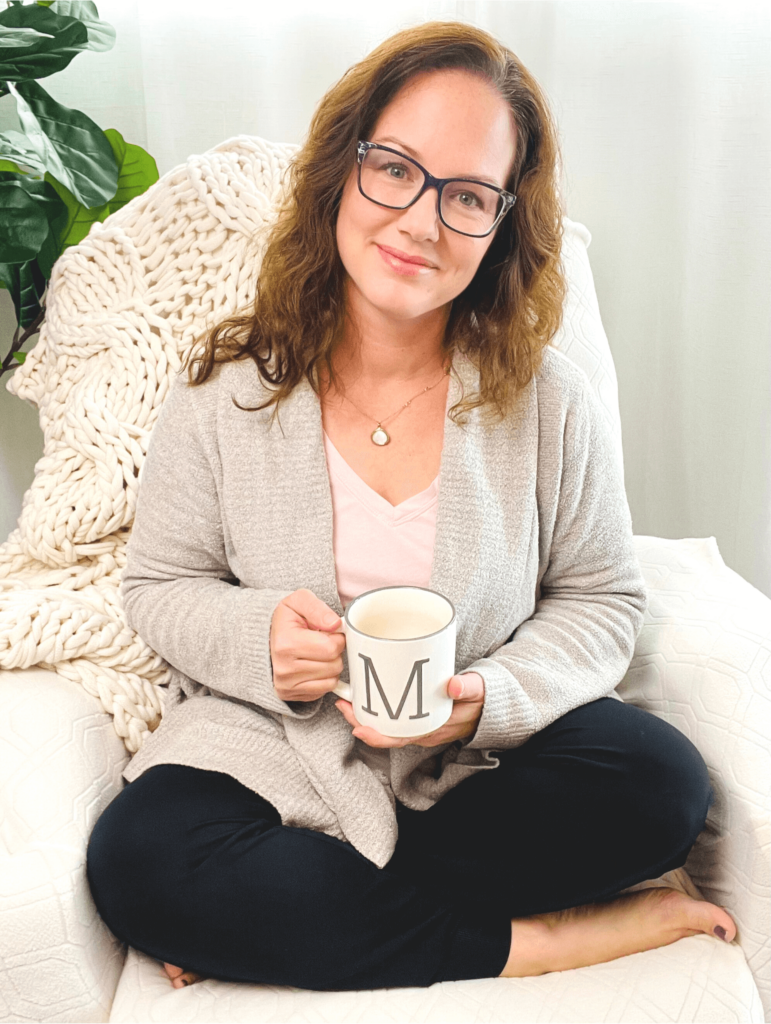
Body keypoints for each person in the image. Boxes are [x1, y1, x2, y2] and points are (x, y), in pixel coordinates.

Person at [85, 21, 735, 992]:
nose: (422, 220)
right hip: (274, 746)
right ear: (344, 168)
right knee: (137, 858)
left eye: (467, 195)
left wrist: (484, 699)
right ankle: (539, 940)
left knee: (664, 787)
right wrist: (258, 633)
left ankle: (288, 915)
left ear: (503, 221)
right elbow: (161, 583)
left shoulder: (549, 399)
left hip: (476, 770)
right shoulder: (222, 386)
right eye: (396, 168)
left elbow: (601, 598)